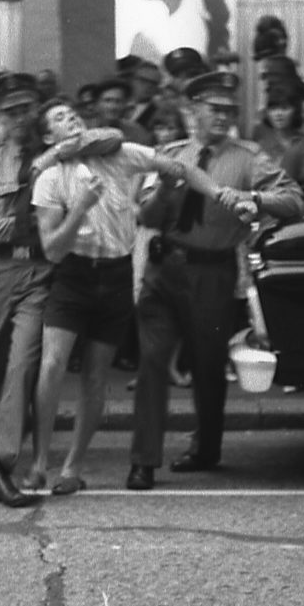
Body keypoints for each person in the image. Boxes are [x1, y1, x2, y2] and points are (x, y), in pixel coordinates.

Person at [25, 96, 235, 496]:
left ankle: (72, 466)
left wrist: (218, 192)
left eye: (72, 114)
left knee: (96, 375)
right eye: (58, 119)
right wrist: (81, 208)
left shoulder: (122, 154)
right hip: (74, 276)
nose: (69, 120)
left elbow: (181, 167)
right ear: (49, 137)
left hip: (116, 275)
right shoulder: (51, 178)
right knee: (51, 366)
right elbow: (52, 249)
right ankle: (38, 463)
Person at [126, 71, 303, 490]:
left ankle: (206, 448)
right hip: (163, 268)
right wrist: (166, 191)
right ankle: (143, 460)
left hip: (213, 272)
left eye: (229, 111)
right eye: (214, 109)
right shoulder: (171, 153)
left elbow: (293, 200)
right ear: (193, 112)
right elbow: (147, 219)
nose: (223, 117)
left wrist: (253, 198)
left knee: (207, 365)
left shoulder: (249, 157)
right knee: (152, 362)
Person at [0, 73, 52, 508]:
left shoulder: (56, 162)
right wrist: (28, 222)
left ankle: (2, 466)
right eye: (11, 111)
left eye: (27, 108)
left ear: (38, 109)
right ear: (0, 116)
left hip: (37, 273)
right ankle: (1, 429)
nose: (20, 118)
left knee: (21, 366)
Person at [90, 77, 153, 145]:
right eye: (108, 100)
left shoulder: (137, 133)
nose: (113, 107)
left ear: (125, 104)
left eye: (118, 101)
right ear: (96, 103)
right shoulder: (84, 130)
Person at [251, 84, 303, 164]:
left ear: (295, 111)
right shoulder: (260, 142)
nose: (278, 114)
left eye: (284, 108)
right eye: (273, 109)